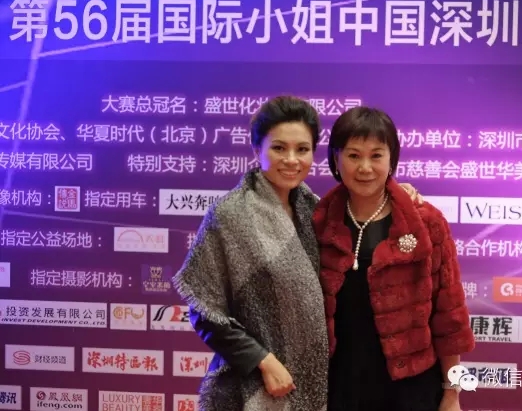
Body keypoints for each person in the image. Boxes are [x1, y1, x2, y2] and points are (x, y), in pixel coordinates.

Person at [172, 96, 423, 411]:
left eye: (302, 149)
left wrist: (399, 195)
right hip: (254, 382)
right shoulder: (231, 215)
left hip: (314, 379)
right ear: (257, 149)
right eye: (279, 148)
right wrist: (262, 360)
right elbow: (204, 312)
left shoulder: (313, 210)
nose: (291, 160)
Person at [312, 106, 475, 411]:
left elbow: (449, 316)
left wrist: (452, 393)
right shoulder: (318, 223)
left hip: (411, 389)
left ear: (392, 158)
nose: (365, 167)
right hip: (338, 387)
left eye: (376, 155)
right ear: (335, 158)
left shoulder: (425, 222)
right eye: (353, 155)